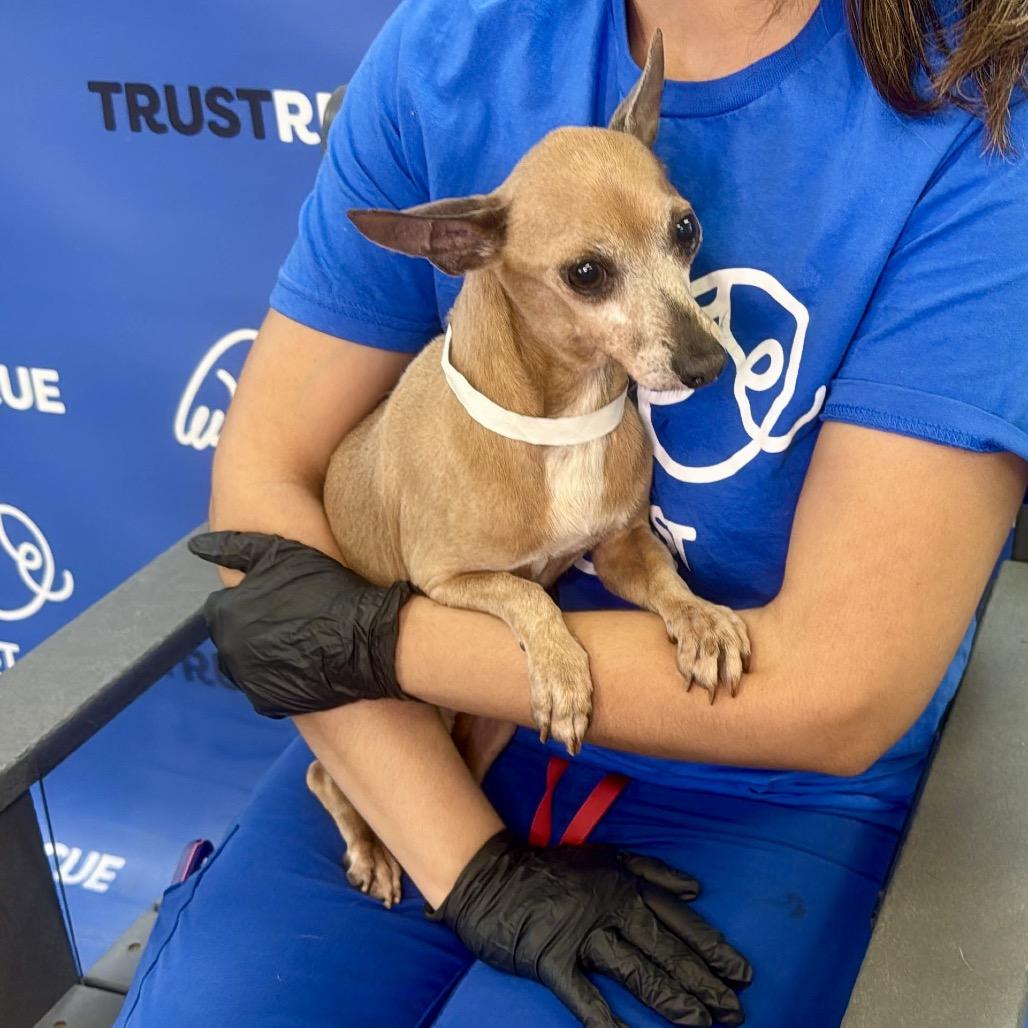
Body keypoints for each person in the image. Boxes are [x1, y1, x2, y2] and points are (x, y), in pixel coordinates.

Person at [117, 0, 1028, 1025]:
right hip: (420, 731)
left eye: (679, 237)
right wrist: (468, 865)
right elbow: (268, 480)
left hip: (760, 772)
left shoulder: (981, 111)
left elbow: (835, 687)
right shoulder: (453, 41)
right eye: (590, 276)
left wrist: (370, 640)